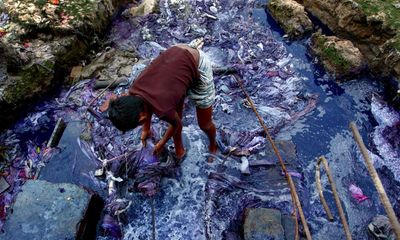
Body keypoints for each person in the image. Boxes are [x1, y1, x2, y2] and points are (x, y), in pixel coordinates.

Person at [102, 43, 217, 163]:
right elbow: (145, 104)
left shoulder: (164, 110)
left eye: (140, 124)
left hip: (198, 62)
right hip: (176, 52)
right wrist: (146, 130)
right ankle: (180, 150)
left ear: (141, 119)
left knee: (204, 124)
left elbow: (177, 125)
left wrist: (161, 143)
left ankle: (213, 146)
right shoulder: (134, 90)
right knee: (176, 113)